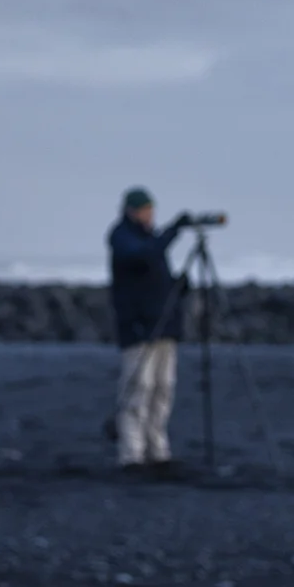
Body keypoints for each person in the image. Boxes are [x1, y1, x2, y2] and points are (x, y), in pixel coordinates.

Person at [107, 187, 192, 471]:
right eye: (145, 210)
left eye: (151, 210)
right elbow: (142, 258)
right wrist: (173, 231)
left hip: (163, 326)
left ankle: (157, 449)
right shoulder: (122, 238)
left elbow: (155, 272)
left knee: (163, 387)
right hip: (139, 327)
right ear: (131, 211)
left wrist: (177, 288)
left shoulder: (150, 240)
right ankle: (132, 452)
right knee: (138, 388)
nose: (148, 215)